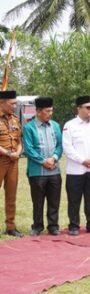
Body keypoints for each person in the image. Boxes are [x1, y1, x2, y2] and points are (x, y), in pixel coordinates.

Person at [62, 96, 90, 235]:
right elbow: (67, 148)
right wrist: (83, 161)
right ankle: (74, 226)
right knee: (74, 200)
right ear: (79, 109)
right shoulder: (70, 126)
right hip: (76, 170)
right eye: (88, 107)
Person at [22, 97, 63, 236]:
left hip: (54, 170)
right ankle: (37, 226)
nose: (50, 113)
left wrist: (54, 158)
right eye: (47, 111)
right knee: (38, 201)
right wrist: (43, 161)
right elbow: (29, 149)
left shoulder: (56, 126)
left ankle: (53, 226)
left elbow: (59, 145)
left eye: (51, 110)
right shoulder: (29, 127)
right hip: (37, 171)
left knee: (54, 200)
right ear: (38, 111)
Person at [0, 90, 23, 237]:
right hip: (1, 160)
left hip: (13, 162)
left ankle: (10, 226)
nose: (15, 106)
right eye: (12, 103)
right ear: (1, 103)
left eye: (16, 104)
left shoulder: (15, 119)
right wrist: (8, 153)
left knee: (11, 195)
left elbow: (19, 140)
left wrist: (18, 152)